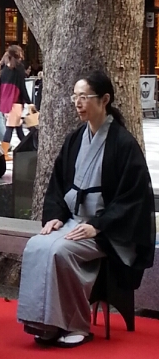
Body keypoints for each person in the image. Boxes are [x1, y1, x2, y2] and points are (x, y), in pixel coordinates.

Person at [17, 71, 155, 349]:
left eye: (84, 97)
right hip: (74, 221)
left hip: (109, 231)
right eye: (75, 97)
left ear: (104, 100)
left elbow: (134, 198)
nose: (78, 103)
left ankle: (76, 324)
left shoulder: (123, 144)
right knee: (35, 245)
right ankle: (45, 323)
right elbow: (57, 183)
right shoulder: (76, 139)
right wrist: (55, 216)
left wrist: (99, 225)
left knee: (59, 252)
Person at [0, 45, 32, 157]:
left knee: (18, 128)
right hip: (16, 103)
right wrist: (29, 101)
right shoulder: (19, 68)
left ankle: (27, 149)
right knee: (11, 128)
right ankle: (4, 153)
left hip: (6, 103)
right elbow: (22, 87)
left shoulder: (4, 69)